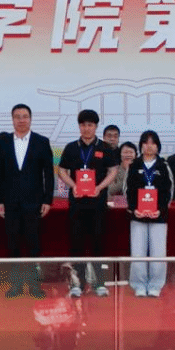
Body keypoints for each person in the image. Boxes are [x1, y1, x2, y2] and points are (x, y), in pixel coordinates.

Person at [0, 103, 54, 297]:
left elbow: (48, 173)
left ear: (30, 119)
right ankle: (16, 285)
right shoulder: (3, 142)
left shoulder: (42, 142)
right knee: (13, 244)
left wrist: (47, 200)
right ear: (12, 120)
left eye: (25, 116)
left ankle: (35, 285)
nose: (21, 120)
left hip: (34, 202)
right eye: (17, 116)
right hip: (10, 202)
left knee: (33, 244)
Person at [58, 109, 116, 297]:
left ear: (96, 126)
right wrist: (73, 185)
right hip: (77, 203)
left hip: (98, 203)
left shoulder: (105, 147)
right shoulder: (71, 148)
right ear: (79, 126)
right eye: (83, 125)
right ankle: (77, 284)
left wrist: (100, 187)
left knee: (99, 242)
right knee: (77, 244)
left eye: (90, 125)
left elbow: (113, 170)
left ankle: (100, 283)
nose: (86, 128)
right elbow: (62, 171)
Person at [126, 130, 175, 297]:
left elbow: (169, 191)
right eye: (146, 142)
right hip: (138, 216)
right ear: (141, 145)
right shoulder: (134, 165)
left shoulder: (164, 165)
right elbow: (128, 190)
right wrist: (134, 209)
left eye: (153, 143)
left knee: (158, 253)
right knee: (138, 252)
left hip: (158, 217)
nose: (149, 146)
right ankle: (139, 285)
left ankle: (155, 285)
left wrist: (161, 209)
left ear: (158, 146)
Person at [107, 141, 139, 208]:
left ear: (135, 155)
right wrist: (126, 173)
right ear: (120, 155)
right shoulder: (113, 170)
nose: (128, 155)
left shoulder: (140, 170)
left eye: (131, 152)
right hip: (116, 205)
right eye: (125, 152)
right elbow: (110, 190)